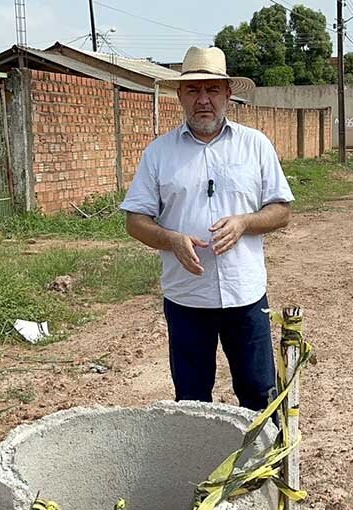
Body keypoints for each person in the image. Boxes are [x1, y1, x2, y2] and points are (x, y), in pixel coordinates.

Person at [120, 46, 294, 411]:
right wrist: (170, 239)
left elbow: (281, 211)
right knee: (192, 398)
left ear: (228, 94)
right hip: (186, 299)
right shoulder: (159, 152)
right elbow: (136, 221)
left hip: (245, 296)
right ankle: (201, 466)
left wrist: (246, 222)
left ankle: (260, 468)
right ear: (179, 95)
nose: (203, 100)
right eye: (193, 90)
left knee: (259, 393)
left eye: (212, 90)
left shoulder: (255, 145)